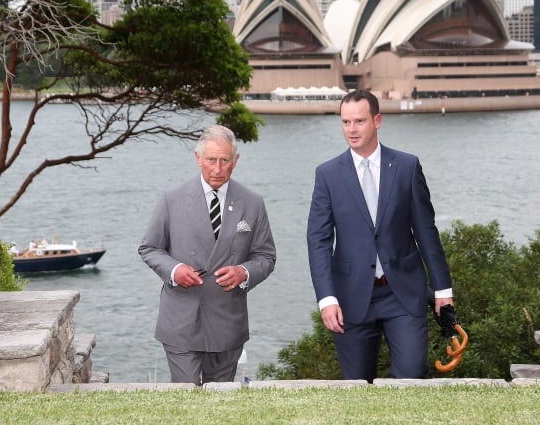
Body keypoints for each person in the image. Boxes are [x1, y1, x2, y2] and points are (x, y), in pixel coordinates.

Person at [307, 89, 453, 382]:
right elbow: (318, 241)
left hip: (403, 294)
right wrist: (326, 298)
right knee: (358, 386)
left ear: (377, 121)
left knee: (411, 378)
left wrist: (443, 291)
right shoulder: (327, 174)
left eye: (359, 121)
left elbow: (426, 231)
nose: (351, 129)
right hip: (350, 299)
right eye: (346, 122)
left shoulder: (407, 167)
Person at [139, 125, 277, 385]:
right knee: (186, 398)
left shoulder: (253, 202)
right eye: (211, 160)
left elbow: (266, 256)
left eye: (224, 161)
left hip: (228, 322)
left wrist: (244, 272)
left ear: (235, 161)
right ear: (198, 158)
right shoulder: (172, 199)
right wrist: (174, 270)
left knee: (220, 402)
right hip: (181, 321)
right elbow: (149, 248)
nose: (217, 169)